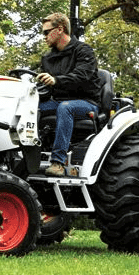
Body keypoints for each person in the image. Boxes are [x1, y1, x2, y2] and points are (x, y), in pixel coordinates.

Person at [35, 12, 101, 176]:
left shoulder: (83, 51)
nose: (44, 37)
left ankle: (58, 162)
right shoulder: (48, 58)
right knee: (30, 108)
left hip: (86, 102)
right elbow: (46, 88)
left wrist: (56, 80)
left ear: (59, 29)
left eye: (46, 32)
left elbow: (82, 76)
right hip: (59, 101)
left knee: (66, 108)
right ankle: (24, 156)